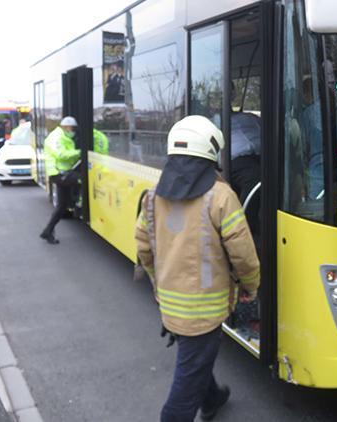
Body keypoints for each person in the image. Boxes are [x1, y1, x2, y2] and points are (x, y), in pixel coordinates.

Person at [135, 115, 260, 422]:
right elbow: (243, 254)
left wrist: (157, 283)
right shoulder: (221, 197)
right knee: (183, 390)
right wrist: (250, 285)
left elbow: (143, 250)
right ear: (211, 152)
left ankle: (213, 398)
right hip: (205, 309)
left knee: (195, 360)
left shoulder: (152, 197)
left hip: (170, 303)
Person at [39, 116, 81, 244]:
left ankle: (47, 231)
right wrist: (80, 152)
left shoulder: (63, 136)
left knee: (62, 206)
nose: (73, 131)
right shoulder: (56, 137)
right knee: (81, 179)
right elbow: (61, 154)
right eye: (72, 128)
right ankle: (77, 202)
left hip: (62, 172)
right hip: (58, 173)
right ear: (66, 127)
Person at [229, 83, 262, 234]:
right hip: (237, 161)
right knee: (255, 179)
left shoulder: (250, 117)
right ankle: (245, 227)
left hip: (263, 156)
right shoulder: (215, 121)